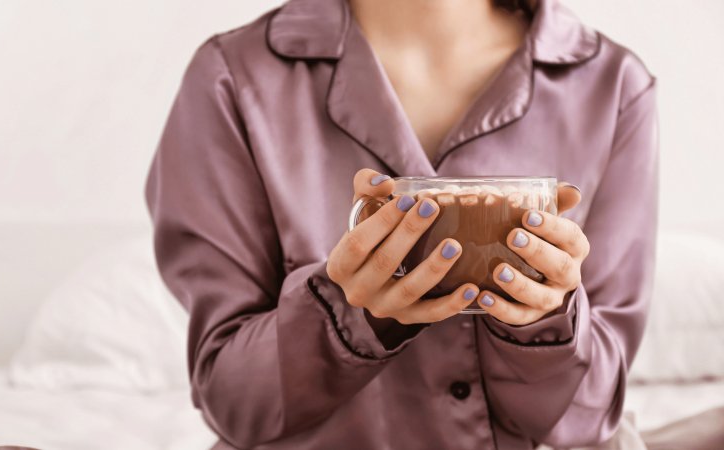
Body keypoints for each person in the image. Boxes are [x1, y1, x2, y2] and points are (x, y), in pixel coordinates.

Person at [144, 0, 658, 448]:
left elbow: (587, 415)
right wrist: (344, 314)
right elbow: (232, 399)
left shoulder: (613, 86)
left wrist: (546, 319)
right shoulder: (233, 76)